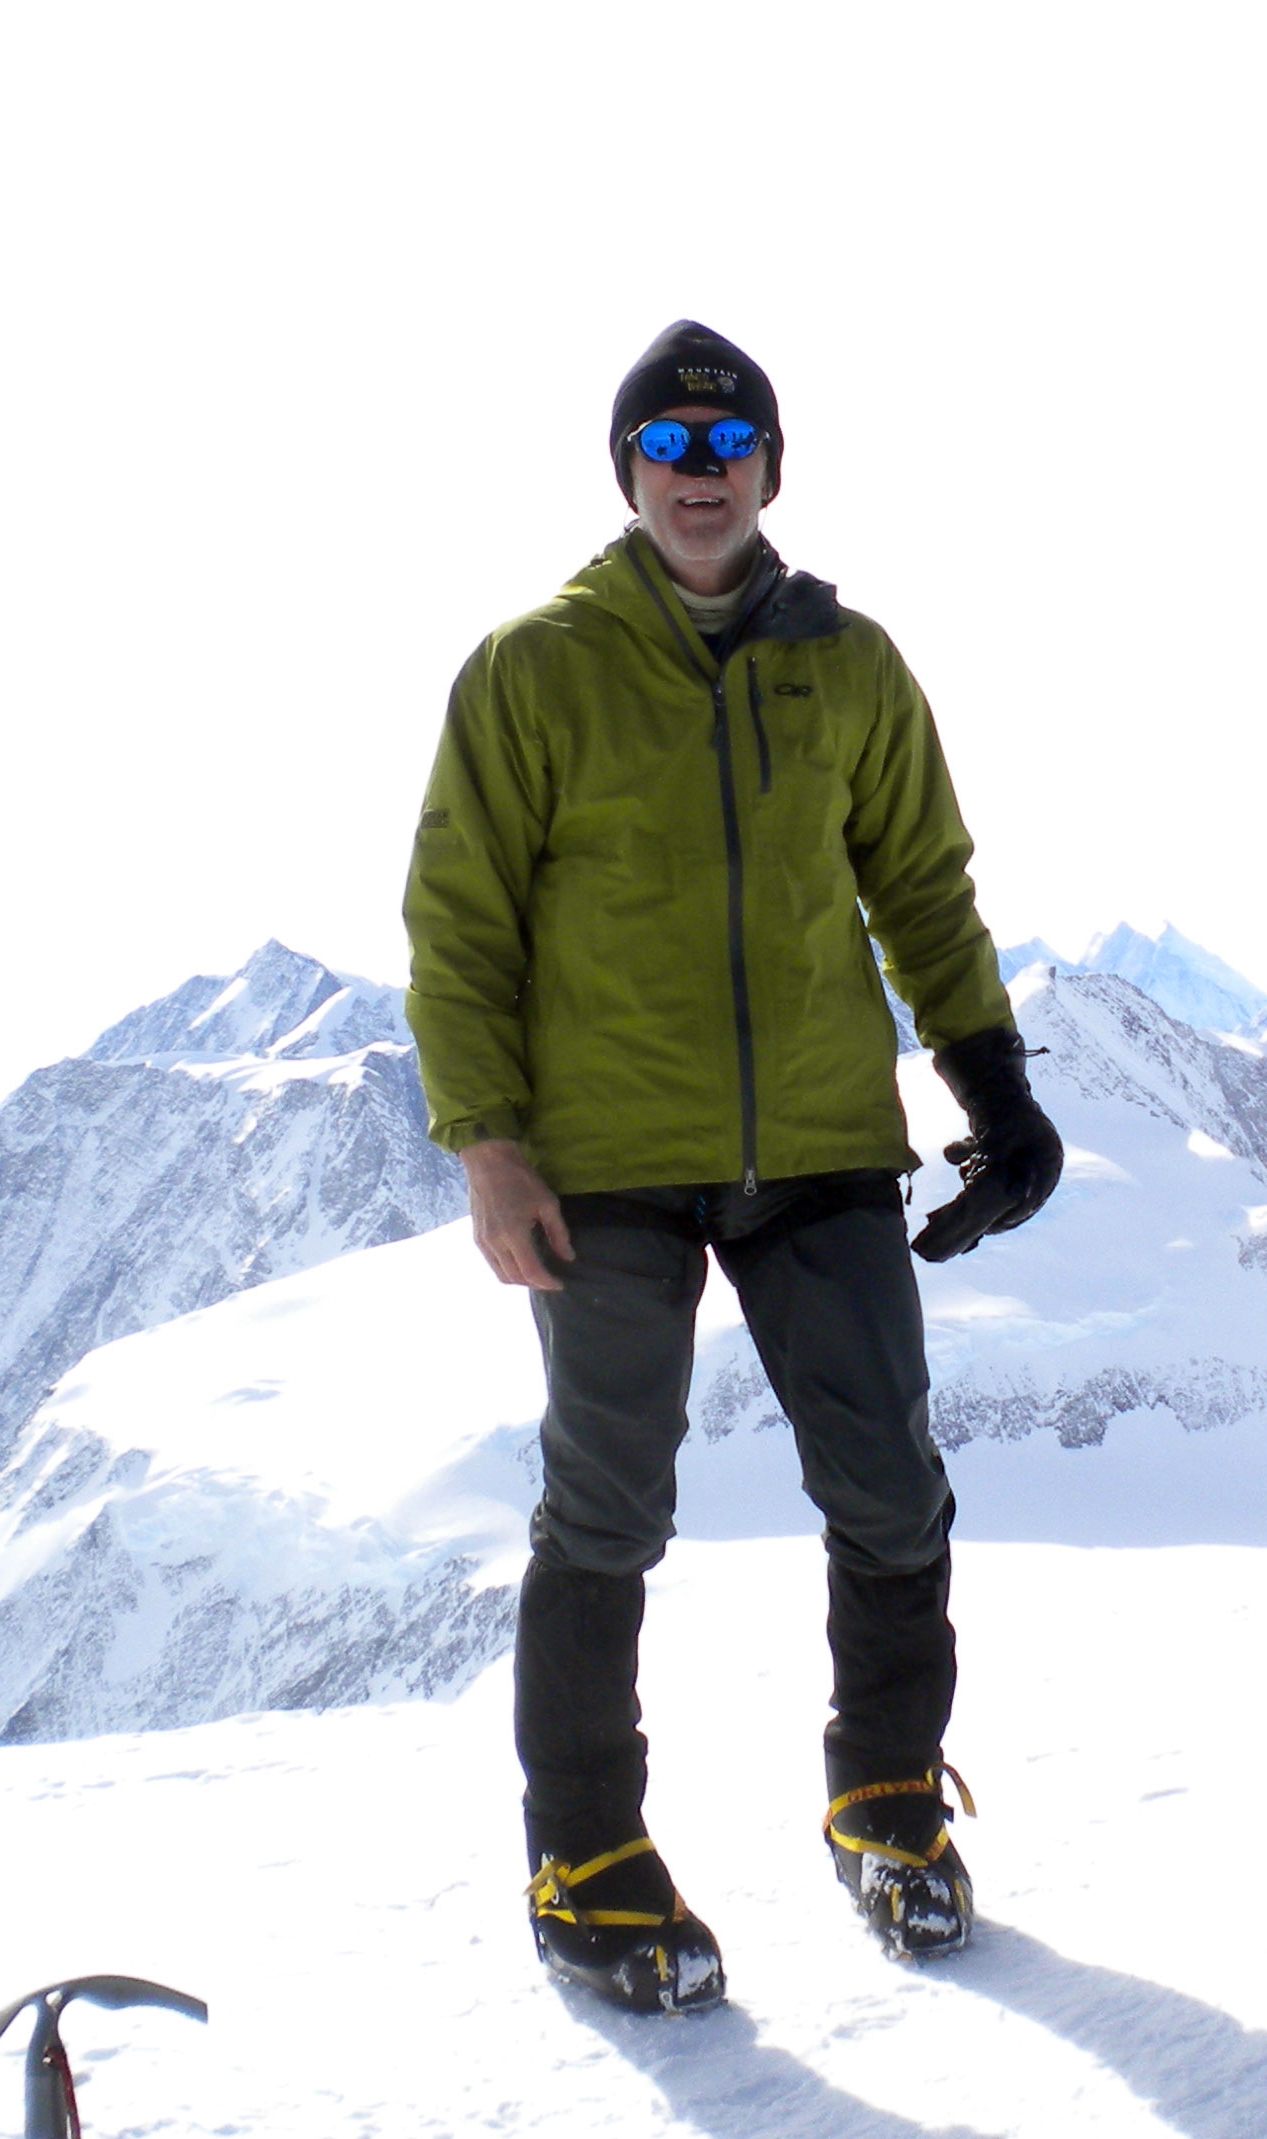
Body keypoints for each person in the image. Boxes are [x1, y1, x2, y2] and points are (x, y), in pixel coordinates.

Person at [403, 321, 1063, 2013]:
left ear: (771, 469)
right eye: (669, 449)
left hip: (821, 1148)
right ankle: (587, 1855)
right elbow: (460, 920)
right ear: (626, 475)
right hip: (606, 1164)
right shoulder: (532, 668)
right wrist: (487, 1142)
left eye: (730, 445)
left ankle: (884, 1800)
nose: (699, 477)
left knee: (890, 1489)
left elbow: (919, 883)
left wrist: (993, 1089)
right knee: (605, 1513)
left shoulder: (844, 664)